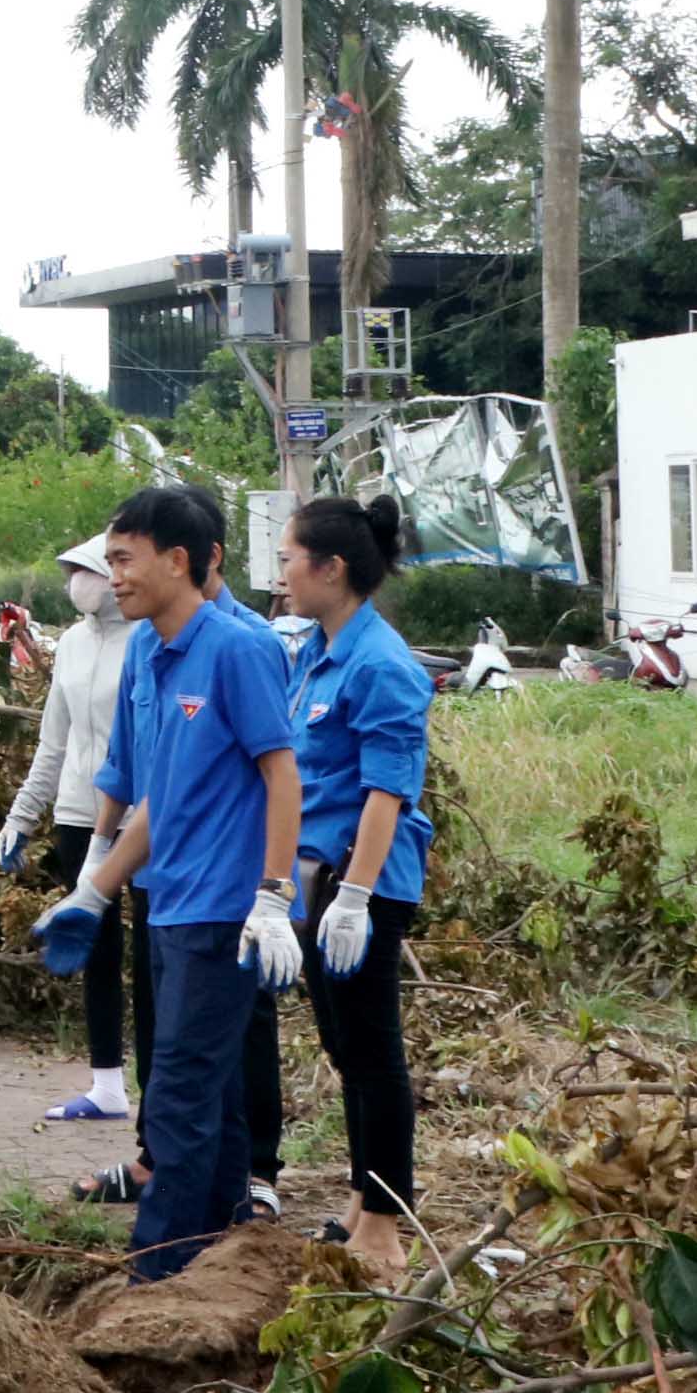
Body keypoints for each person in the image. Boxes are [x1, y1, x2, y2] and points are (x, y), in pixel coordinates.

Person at [35, 483, 302, 1284]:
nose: (111, 576)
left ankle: (157, 1268)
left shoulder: (240, 649)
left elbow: (283, 777)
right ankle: (226, 1247)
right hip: (167, 902)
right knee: (204, 1093)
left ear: (178, 561)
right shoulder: (149, 650)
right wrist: (96, 887)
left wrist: (274, 895)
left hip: (224, 912)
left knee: (180, 1093)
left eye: (124, 559)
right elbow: (159, 795)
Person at [281, 495, 436, 1277]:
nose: (280, 575)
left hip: (364, 881)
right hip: (319, 878)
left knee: (374, 1049)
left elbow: (386, 791)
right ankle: (360, 1197)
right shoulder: (316, 650)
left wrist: (355, 896)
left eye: (288, 560)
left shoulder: (382, 665)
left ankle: (386, 1219)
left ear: (330, 568)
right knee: (344, 1047)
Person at [0, 544, 140, 1127]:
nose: (75, 582)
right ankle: (106, 1085)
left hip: (139, 818)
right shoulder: (73, 644)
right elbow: (54, 741)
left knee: (152, 952)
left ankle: (162, 1085)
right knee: (95, 946)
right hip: (81, 813)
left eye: (85, 572)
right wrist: (22, 816)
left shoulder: (148, 641)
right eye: (70, 573)